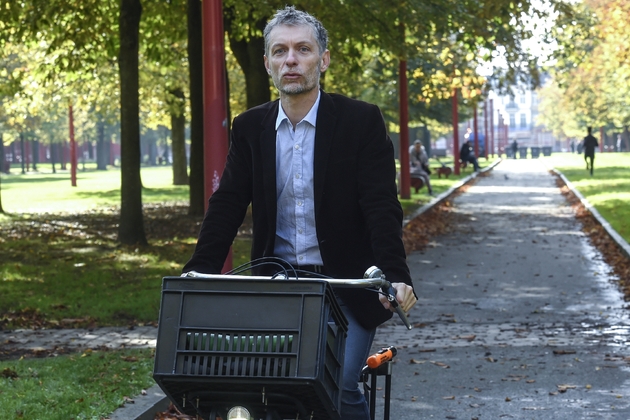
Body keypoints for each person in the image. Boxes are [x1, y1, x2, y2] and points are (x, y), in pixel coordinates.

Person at [182, 6, 417, 419]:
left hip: (347, 284)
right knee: (268, 394)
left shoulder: (360, 121)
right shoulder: (250, 127)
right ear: (269, 63)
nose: (291, 59)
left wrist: (395, 275)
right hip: (277, 286)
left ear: (322, 60)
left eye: (303, 49)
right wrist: (197, 270)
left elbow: (381, 206)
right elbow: (228, 203)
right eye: (281, 51)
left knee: (341, 385)